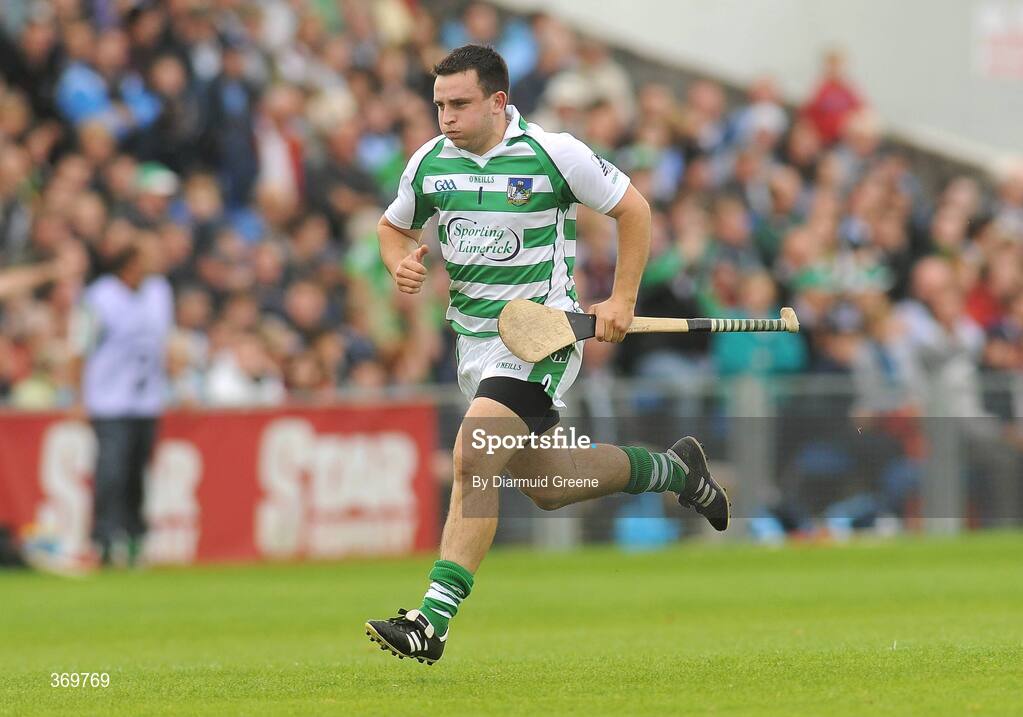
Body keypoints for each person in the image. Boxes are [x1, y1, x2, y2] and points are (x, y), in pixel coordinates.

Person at [364, 45, 730, 665]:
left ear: (498, 101)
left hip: (539, 341)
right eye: (439, 106)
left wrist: (621, 297)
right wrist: (397, 263)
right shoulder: (429, 163)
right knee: (548, 484)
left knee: (472, 452)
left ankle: (431, 621)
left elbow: (632, 209)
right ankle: (674, 470)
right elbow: (392, 225)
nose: (445, 117)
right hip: (474, 345)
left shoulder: (554, 154)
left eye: (459, 104)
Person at [70, 233, 173, 567]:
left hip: (147, 399)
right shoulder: (99, 297)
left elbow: (165, 344)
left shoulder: (159, 292)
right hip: (109, 400)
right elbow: (80, 347)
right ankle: (103, 539)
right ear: (131, 263)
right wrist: (79, 397)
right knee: (111, 472)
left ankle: (133, 538)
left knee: (136, 473)